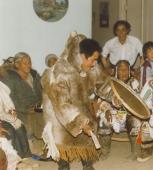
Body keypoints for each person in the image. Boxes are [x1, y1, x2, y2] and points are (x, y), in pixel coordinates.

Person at [41, 32, 102, 170]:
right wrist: (80, 122)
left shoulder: (85, 68)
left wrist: (109, 99)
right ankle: (63, 165)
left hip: (78, 108)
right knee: (62, 143)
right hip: (57, 113)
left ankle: (87, 163)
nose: (94, 64)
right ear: (80, 56)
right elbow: (62, 105)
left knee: (87, 134)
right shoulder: (58, 73)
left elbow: (99, 84)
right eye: (92, 60)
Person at [96, 60, 141, 160]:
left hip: (129, 113)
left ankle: (135, 152)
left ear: (129, 71)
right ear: (116, 70)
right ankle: (105, 151)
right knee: (104, 122)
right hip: (112, 111)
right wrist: (106, 110)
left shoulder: (134, 83)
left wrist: (131, 112)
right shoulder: (110, 82)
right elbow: (100, 99)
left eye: (126, 69)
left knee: (136, 123)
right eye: (121, 69)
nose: (123, 71)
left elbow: (139, 102)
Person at [1, 52, 43, 155]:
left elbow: (41, 92)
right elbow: (7, 99)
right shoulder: (10, 78)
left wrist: (40, 105)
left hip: (37, 107)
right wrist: (25, 109)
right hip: (20, 110)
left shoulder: (34, 75)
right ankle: (30, 147)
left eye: (29, 62)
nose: (28, 65)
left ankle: (46, 146)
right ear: (17, 65)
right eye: (25, 63)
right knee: (26, 126)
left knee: (48, 121)